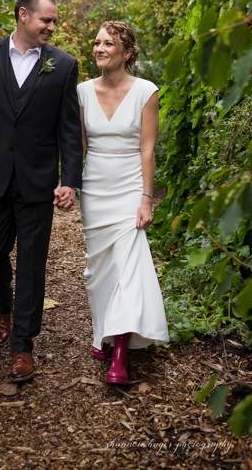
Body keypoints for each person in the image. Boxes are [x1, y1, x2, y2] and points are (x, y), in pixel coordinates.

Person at [0, 0, 83, 383]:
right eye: (46, 20)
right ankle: (2, 304)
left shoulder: (62, 65)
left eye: (54, 21)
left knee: (31, 262)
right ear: (23, 15)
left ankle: (23, 345)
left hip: (37, 181)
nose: (52, 27)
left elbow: (69, 130)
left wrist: (69, 180)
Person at [77, 21, 168, 384]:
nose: (99, 48)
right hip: (94, 186)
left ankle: (120, 354)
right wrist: (66, 184)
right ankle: (103, 330)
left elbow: (148, 149)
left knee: (129, 265)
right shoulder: (82, 91)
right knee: (99, 268)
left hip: (130, 184)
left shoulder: (146, 91)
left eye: (108, 44)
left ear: (127, 53)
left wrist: (146, 198)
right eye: (97, 42)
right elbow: (78, 147)